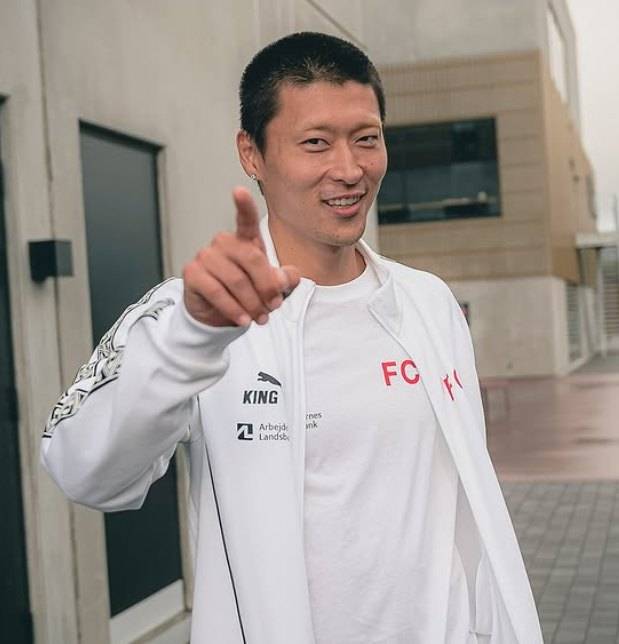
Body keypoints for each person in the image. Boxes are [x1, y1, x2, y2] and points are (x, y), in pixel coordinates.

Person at [41, 32, 542, 643]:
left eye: (367, 138)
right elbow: (83, 472)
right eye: (315, 143)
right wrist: (189, 343)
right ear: (251, 154)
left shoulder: (428, 303)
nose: (349, 169)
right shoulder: (192, 316)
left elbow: (461, 510)